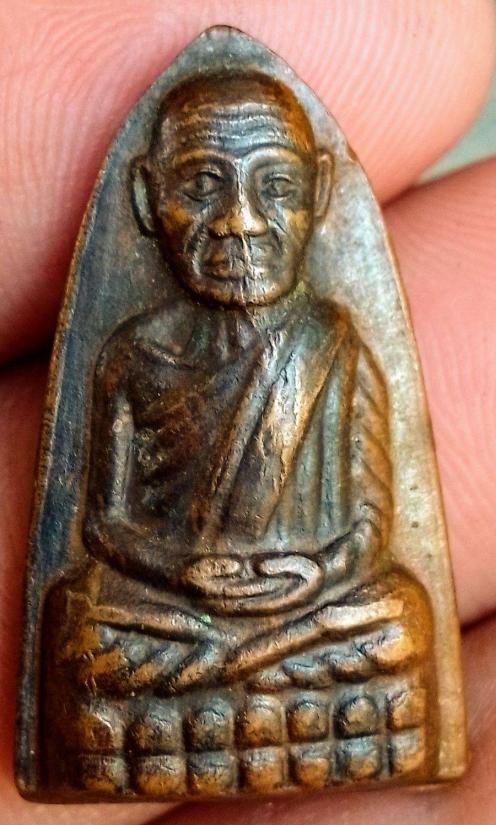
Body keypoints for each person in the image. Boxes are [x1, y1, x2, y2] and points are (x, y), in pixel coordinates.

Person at [2, 1, 495, 822]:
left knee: (398, 619)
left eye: (276, 187)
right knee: (83, 631)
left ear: (319, 193)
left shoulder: (337, 346)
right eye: (202, 186)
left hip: (312, 608)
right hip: (172, 610)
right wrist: (182, 573)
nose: (240, 223)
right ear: (146, 198)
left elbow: (372, 523)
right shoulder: (132, 356)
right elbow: (102, 525)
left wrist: (318, 574)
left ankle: (234, 685)